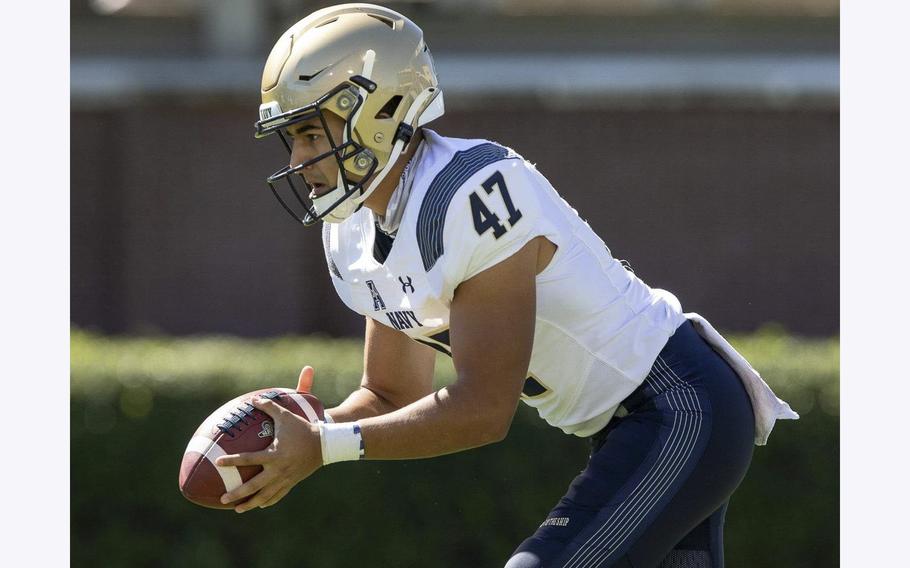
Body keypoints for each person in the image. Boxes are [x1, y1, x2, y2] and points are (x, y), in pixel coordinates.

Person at [215, 4, 798, 567]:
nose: (301, 158)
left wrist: (324, 446)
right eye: (292, 137)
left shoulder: (470, 192)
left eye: (314, 133)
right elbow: (392, 392)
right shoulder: (356, 230)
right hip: (637, 427)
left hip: (680, 406)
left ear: (380, 109)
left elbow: (484, 409)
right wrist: (310, 432)